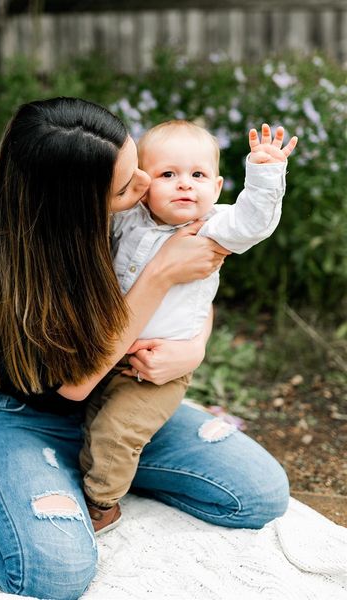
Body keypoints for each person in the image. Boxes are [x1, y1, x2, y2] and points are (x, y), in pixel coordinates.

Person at [0, 97, 291, 600]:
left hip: (119, 393)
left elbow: (197, 293)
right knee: (55, 573)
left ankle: (89, 466)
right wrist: (161, 273)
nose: (148, 185)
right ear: (78, 203)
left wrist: (194, 348)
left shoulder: (134, 216)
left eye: (139, 168)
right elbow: (74, 383)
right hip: (23, 414)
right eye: (129, 183)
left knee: (260, 494)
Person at [79, 120, 297, 534]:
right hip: (107, 356)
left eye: (197, 175)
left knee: (117, 431)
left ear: (216, 187)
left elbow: (254, 221)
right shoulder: (128, 220)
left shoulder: (212, 228)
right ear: (142, 185)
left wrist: (265, 172)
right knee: (94, 427)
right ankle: (101, 474)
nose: (184, 184)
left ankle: (101, 503)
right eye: (167, 174)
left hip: (155, 371)